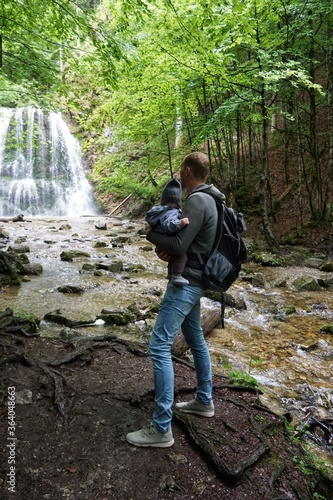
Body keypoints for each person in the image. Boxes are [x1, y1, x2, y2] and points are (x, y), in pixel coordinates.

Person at [126, 152, 225, 448]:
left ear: (186, 170)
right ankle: (204, 401)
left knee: (158, 344)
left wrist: (151, 235)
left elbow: (180, 242)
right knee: (195, 337)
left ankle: (161, 429)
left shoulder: (197, 200)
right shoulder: (214, 198)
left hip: (188, 283)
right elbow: (189, 243)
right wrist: (169, 248)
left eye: (180, 174)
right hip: (198, 279)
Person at [145, 176, 190, 286]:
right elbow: (169, 225)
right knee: (182, 255)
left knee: (172, 256)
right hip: (168, 237)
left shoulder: (158, 211)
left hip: (161, 239)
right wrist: (181, 223)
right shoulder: (172, 212)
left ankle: (172, 274)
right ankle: (177, 275)